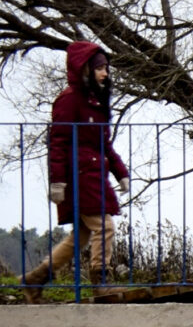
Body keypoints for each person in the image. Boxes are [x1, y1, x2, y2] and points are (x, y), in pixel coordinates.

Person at [21, 37, 129, 293]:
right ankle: (101, 281)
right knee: (105, 227)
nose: (105, 73)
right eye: (101, 68)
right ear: (85, 70)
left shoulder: (96, 102)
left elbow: (104, 144)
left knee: (79, 237)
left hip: (94, 177)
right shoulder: (69, 100)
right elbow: (57, 142)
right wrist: (57, 182)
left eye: (106, 69)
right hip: (79, 177)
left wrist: (120, 172)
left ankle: (35, 279)